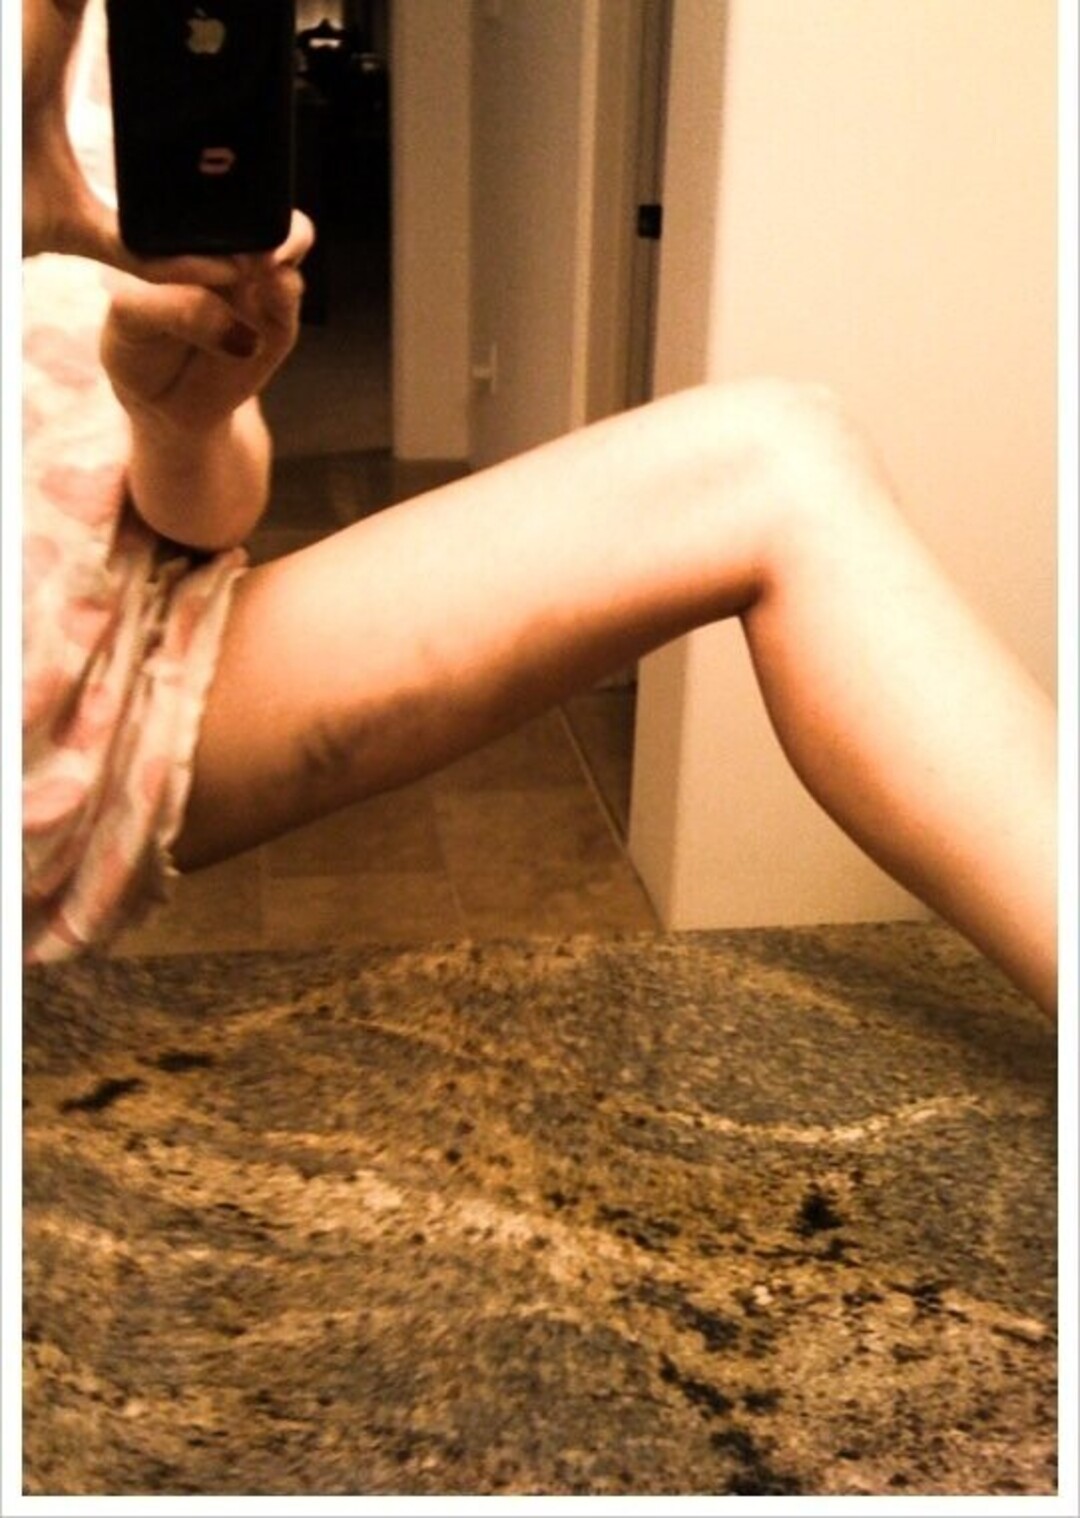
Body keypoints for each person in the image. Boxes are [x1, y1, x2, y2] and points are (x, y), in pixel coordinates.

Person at [21, 0, 1057, 1018]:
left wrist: (181, 423)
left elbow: (205, 518)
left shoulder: (104, 53)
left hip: (143, 679)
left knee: (784, 460)